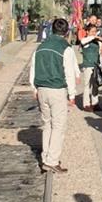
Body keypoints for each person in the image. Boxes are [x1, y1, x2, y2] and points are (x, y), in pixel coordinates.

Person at [33, 18, 79, 173]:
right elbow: (69, 73)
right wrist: (72, 94)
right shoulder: (66, 48)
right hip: (57, 90)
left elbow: (33, 68)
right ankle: (52, 160)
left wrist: (34, 88)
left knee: (47, 124)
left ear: (52, 29)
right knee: (58, 126)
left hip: (41, 89)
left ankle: (45, 156)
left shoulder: (41, 46)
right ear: (66, 32)